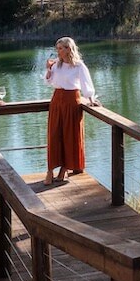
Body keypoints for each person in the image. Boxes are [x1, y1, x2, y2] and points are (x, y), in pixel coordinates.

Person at [43, 36, 98, 185]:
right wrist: (48, 69)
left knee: (69, 134)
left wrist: (91, 99)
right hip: (57, 101)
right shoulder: (56, 65)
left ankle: (64, 167)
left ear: (69, 49)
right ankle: (50, 170)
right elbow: (49, 81)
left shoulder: (79, 66)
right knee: (54, 135)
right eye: (58, 48)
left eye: (61, 48)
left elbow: (87, 84)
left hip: (72, 101)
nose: (58, 51)